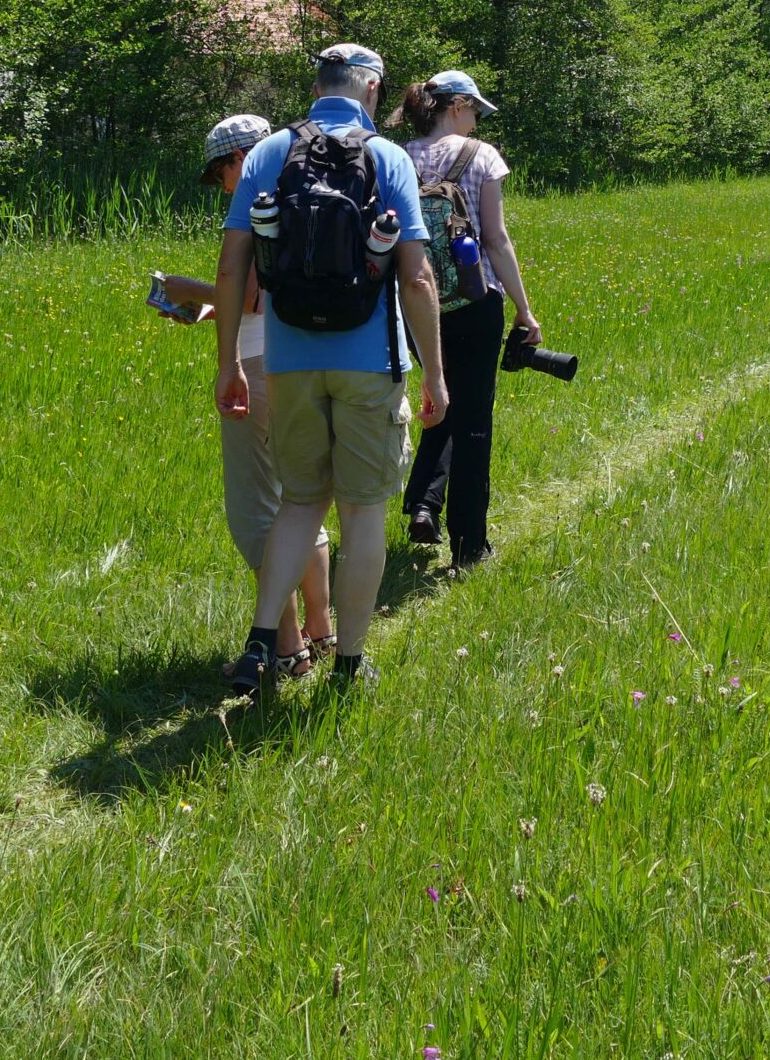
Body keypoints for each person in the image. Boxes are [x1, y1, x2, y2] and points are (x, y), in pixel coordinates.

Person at [213, 44, 449, 695]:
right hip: (369, 359)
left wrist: (230, 359)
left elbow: (233, 267)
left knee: (298, 502)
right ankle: (348, 662)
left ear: (317, 86)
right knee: (364, 510)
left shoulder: (266, 154)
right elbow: (419, 278)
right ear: (371, 89)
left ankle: (264, 638)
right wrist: (435, 372)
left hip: (287, 361)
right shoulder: (388, 157)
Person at [159, 115, 335, 680]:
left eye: (220, 172)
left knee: (258, 513)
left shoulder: (258, 201)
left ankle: (287, 650)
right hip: (306, 364)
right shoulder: (311, 191)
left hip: (258, 369)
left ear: (240, 158)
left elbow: (254, 299)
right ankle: (322, 629)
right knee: (301, 497)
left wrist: (188, 291)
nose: (223, 186)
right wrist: (215, 309)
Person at [394, 69, 543, 569]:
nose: (477, 121)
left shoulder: (398, 158)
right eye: (475, 110)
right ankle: (469, 547)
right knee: (473, 422)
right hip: (476, 301)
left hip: (417, 305)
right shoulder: (482, 157)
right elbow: (496, 241)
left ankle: (422, 503)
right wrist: (524, 310)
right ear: (456, 106)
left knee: (439, 402)